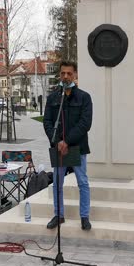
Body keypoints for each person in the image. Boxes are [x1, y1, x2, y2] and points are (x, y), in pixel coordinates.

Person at [43, 61, 93, 231]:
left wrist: (67, 141)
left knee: (82, 182)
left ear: (75, 75)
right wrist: (57, 141)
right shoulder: (53, 98)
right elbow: (48, 121)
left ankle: (84, 216)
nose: (65, 76)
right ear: (59, 75)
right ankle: (59, 215)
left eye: (69, 73)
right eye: (63, 73)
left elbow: (85, 123)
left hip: (77, 146)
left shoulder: (84, 97)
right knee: (57, 183)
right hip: (59, 147)